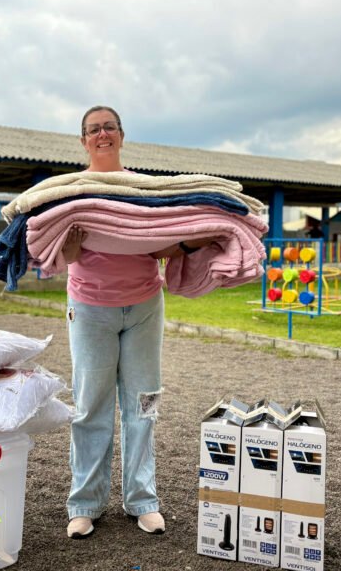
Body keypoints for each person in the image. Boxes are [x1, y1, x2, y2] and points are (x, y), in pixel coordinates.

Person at [61, 106, 212, 539]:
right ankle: (84, 504)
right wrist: (70, 247)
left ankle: (143, 500)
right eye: (93, 130)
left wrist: (193, 238)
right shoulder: (74, 190)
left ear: (122, 135)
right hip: (90, 309)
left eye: (109, 127)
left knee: (145, 402)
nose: (102, 134)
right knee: (91, 405)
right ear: (83, 141)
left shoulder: (142, 189)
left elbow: (159, 246)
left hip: (144, 306)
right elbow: (63, 256)